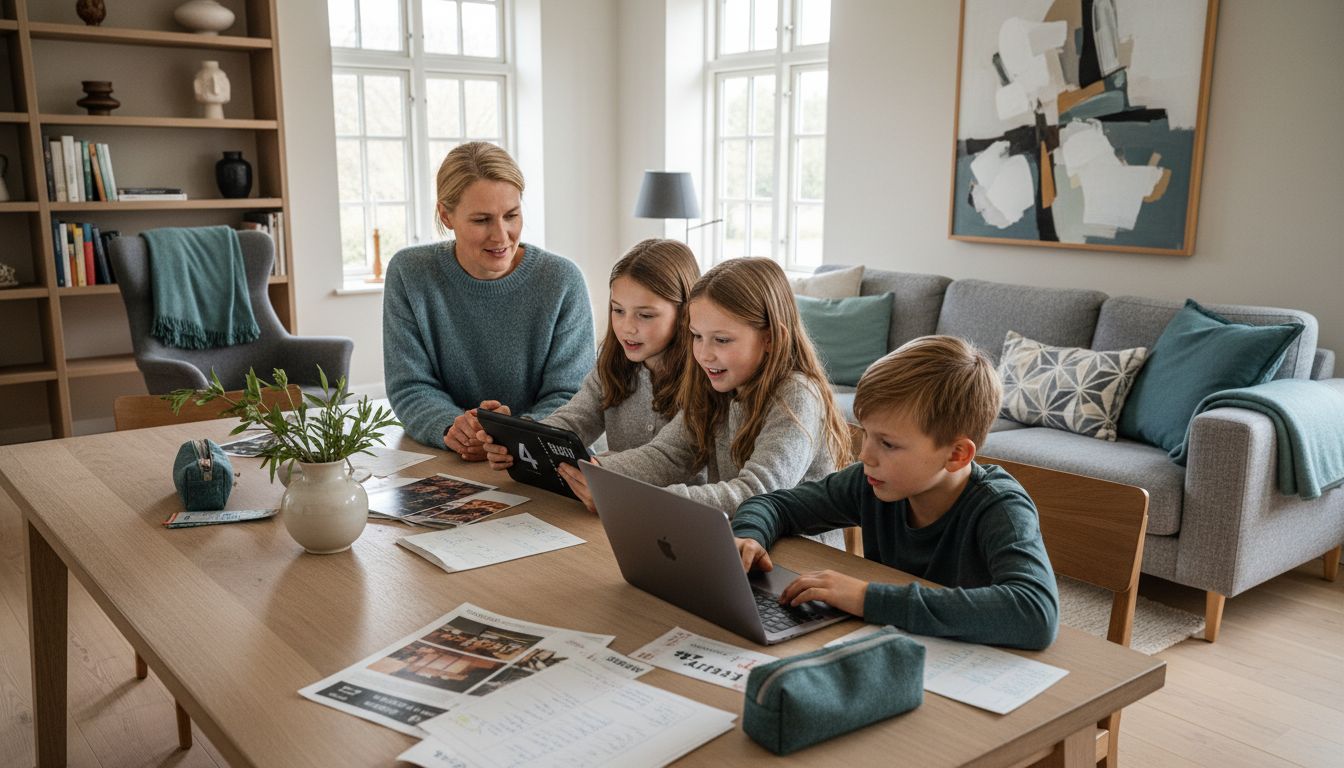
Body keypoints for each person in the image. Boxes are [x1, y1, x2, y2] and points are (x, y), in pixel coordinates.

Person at [730, 336, 1060, 650]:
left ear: (957, 454)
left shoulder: (1000, 508)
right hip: (895, 643)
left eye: (887, 444)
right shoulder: (871, 482)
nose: (865, 455)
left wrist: (866, 598)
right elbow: (776, 505)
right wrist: (748, 537)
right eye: (866, 434)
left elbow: (1035, 611)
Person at [558, 257, 851, 528]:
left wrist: (642, 501)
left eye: (721, 340)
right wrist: (598, 471)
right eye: (697, 336)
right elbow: (669, 455)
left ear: (771, 339)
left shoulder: (797, 395)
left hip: (801, 554)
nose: (704, 354)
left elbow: (757, 491)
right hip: (737, 538)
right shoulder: (717, 385)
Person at [382, 142, 594, 454]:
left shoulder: (562, 281)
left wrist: (511, 435)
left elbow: (572, 396)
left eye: (512, 215)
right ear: (445, 215)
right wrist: (453, 427)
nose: (501, 235)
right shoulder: (409, 273)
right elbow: (410, 385)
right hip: (448, 454)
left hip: (540, 454)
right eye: (482, 220)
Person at [479, 238, 700, 464]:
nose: (627, 327)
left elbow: (668, 458)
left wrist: (602, 468)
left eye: (645, 315)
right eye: (618, 310)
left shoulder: (703, 380)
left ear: (685, 313)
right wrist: (518, 438)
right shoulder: (611, 365)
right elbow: (575, 419)